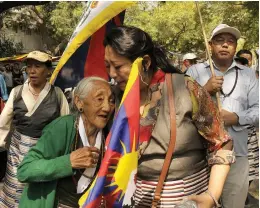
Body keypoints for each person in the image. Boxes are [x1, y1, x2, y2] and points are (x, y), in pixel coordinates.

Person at [104, 26, 235, 208]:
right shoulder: (115, 98)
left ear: (146, 63)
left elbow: (222, 143)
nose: (111, 74)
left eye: (118, 66)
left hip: (186, 200)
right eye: (107, 66)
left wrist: (211, 196)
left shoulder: (185, 88)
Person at [186, 24, 259, 208]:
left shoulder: (249, 75)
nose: (225, 45)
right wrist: (204, 90)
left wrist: (236, 118)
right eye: (219, 41)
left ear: (235, 47)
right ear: (210, 45)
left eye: (230, 41)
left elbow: (258, 110)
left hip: (237, 156)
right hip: (199, 158)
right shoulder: (194, 72)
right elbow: (180, 109)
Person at [17, 77, 115, 208]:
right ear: (79, 102)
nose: (107, 107)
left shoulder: (110, 135)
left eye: (111, 100)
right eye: (99, 99)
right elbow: (25, 170)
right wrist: (68, 162)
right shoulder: (62, 127)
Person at [0, 50, 70, 208]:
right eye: (29, 66)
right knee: (16, 189)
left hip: (45, 152)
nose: (31, 71)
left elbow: (65, 124)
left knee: (39, 192)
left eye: (37, 66)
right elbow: (3, 123)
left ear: (48, 70)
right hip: (18, 151)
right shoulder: (16, 92)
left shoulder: (57, 95)